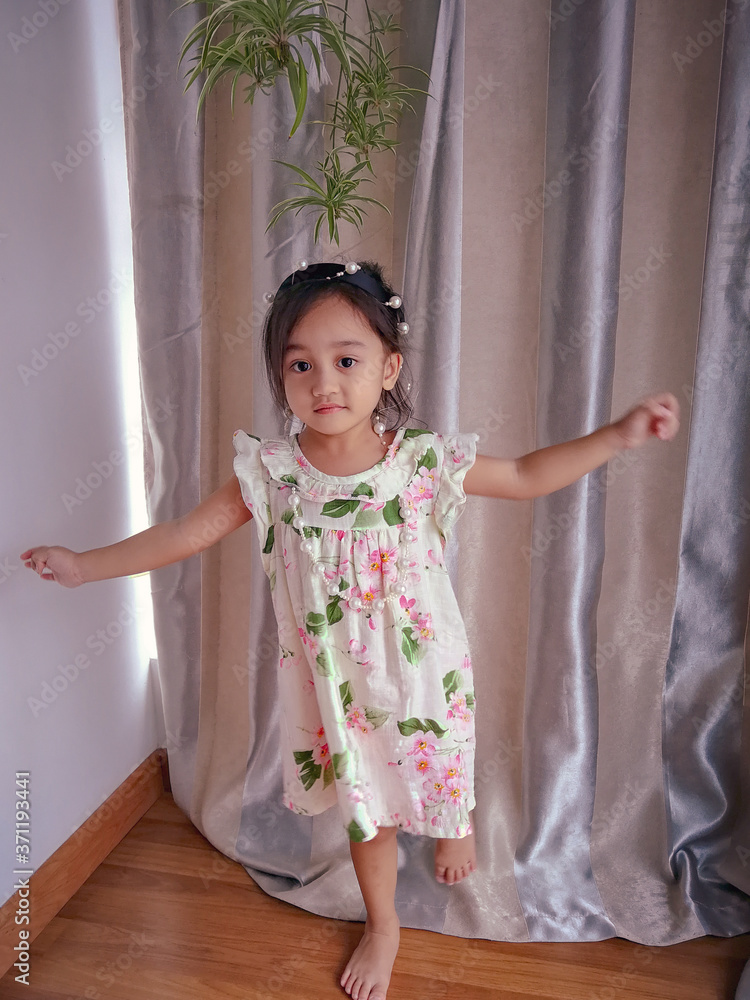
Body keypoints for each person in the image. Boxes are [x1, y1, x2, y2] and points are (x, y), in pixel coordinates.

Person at [21, 260, 680, 1000]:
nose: (322, 383)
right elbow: (184, 533)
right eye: (299, 364)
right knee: (367, 810)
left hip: (423, 667)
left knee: (436, 756)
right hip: (335, 682)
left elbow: (526, 476)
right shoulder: (273, 472)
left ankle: (454, 819)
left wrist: (618, 435)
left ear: (389, 367)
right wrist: (85, 565)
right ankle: (383, 923)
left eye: (346, 360)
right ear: (280, 374)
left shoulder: (421, 462)